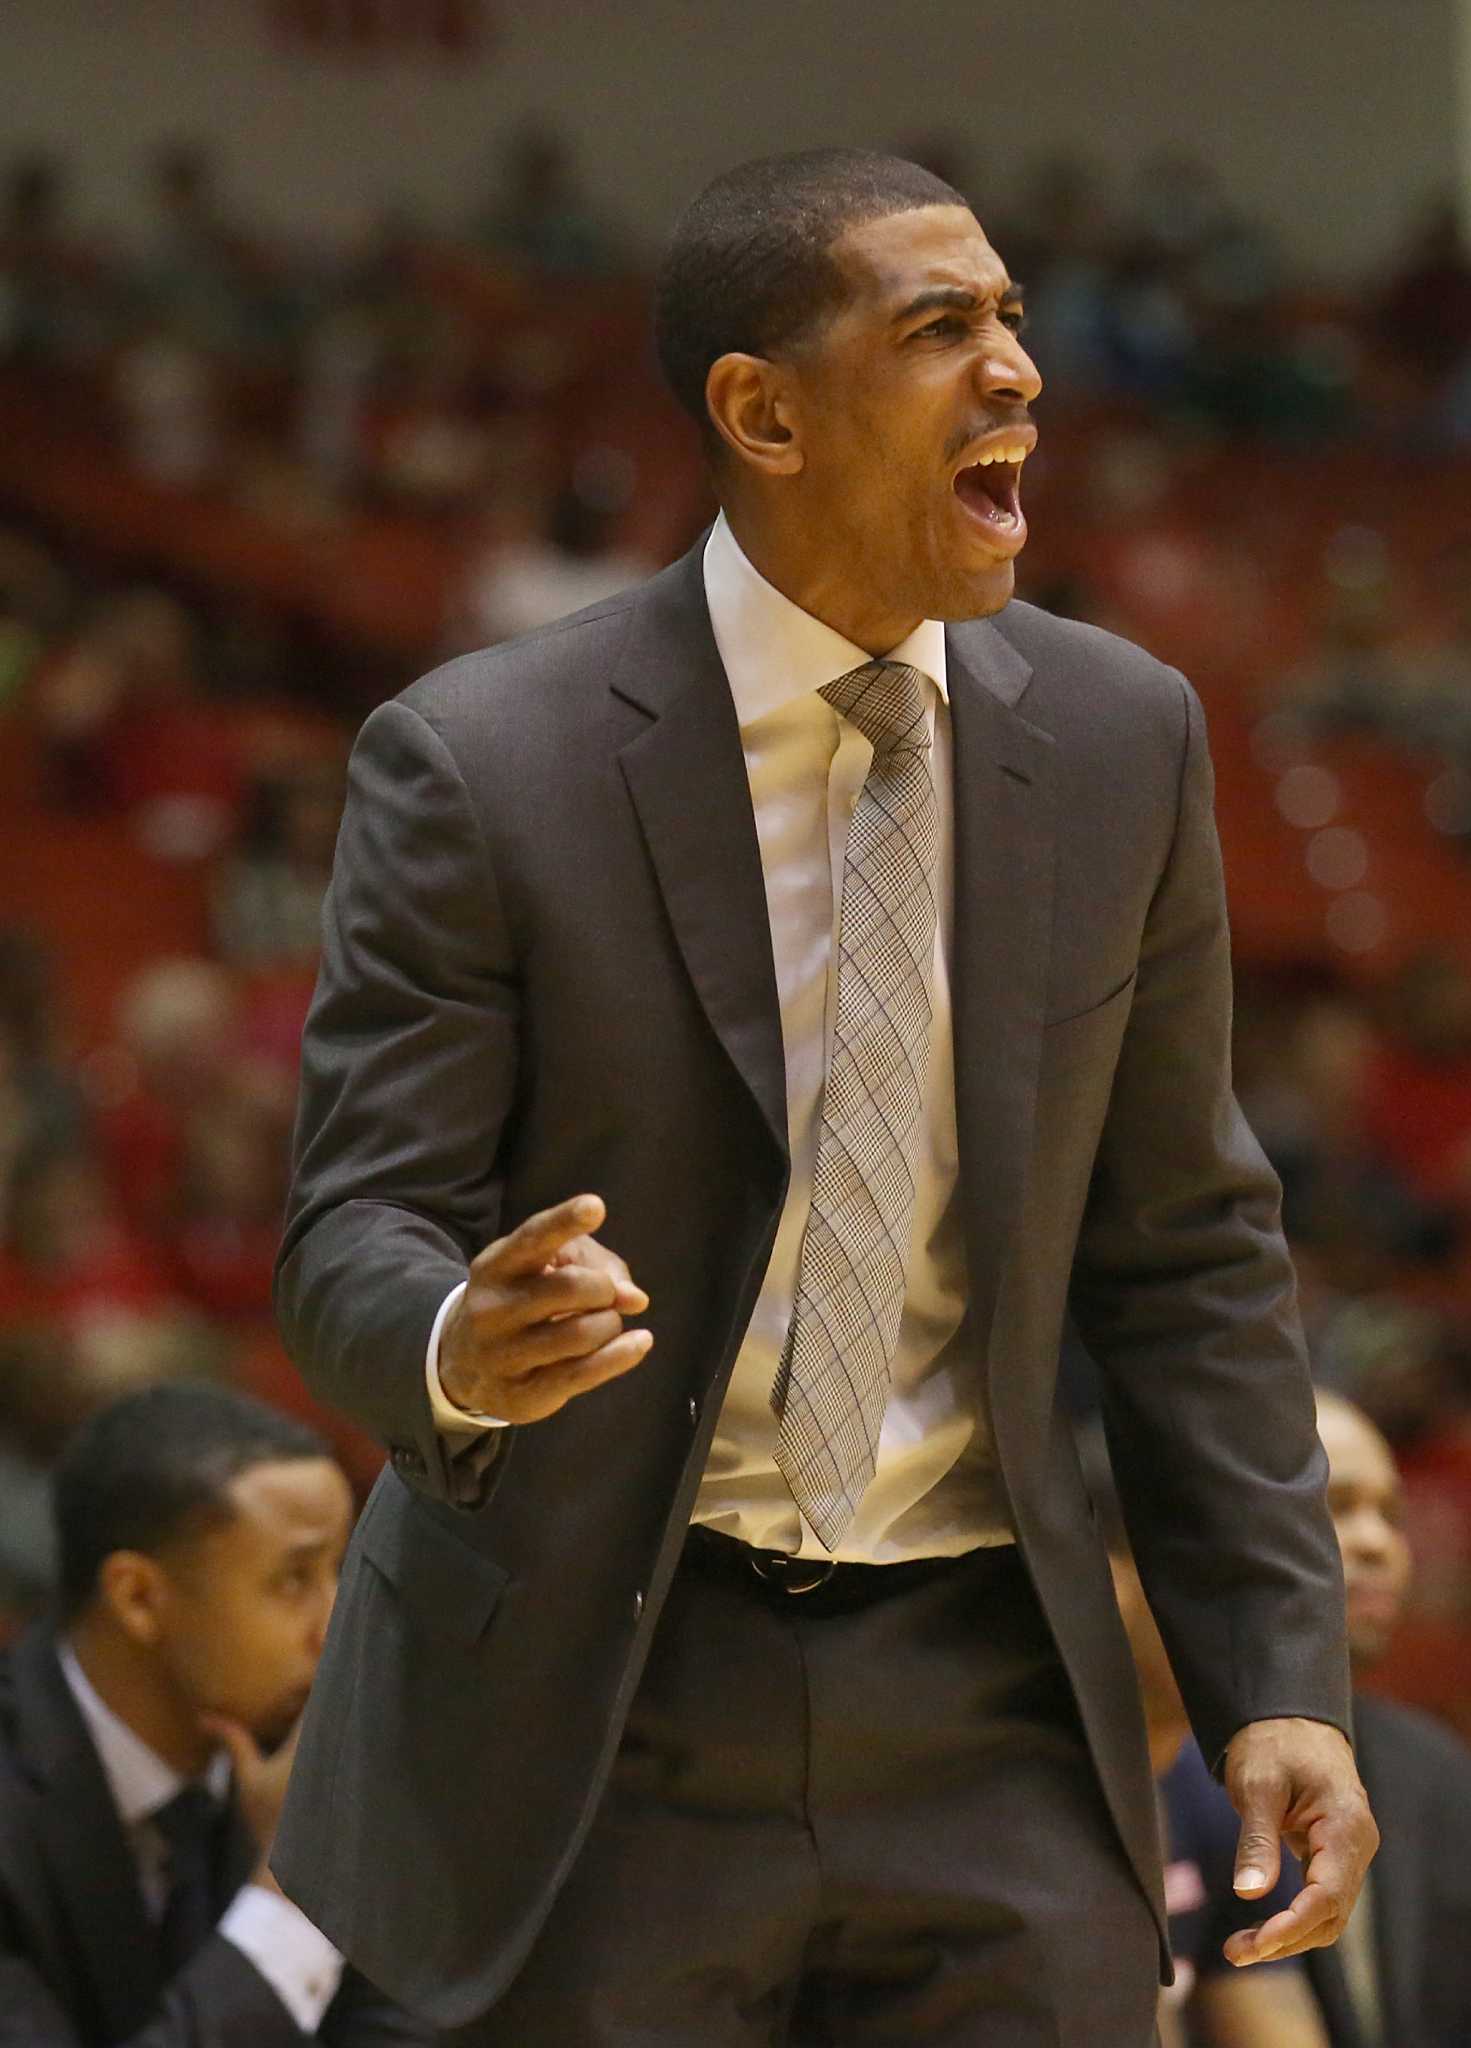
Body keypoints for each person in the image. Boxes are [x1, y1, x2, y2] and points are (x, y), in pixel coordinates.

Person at [273, 148, 1374, 2044]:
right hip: (603, 1683)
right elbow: (352, 1225)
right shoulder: (482, 760)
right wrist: (463, 1330)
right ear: (761, 410)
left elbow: (1189, 1250)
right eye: (941, 326)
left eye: (1014, 318)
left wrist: (1279, 1671)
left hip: (987, 1686)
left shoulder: (1123, 739)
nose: (1018, 369)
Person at [0, 1381, 430, 2043]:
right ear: (140, 1598)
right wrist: (293, 1898)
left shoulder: (313, 1751)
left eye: (340, 1570)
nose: (337, 1626)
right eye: (293, 1579)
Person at [1083, 1430, 1332, 2047]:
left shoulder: (1216, 1794)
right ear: (1103, 1579)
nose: (1271, 1613)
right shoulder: (1000, 1794)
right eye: (1231, 1570)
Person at [1303, 1390, 1471, 2046]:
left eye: (1392, 1513)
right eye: (1336, 1506)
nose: (1377, 1543)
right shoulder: (1166, 1753)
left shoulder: (1436, 1769)